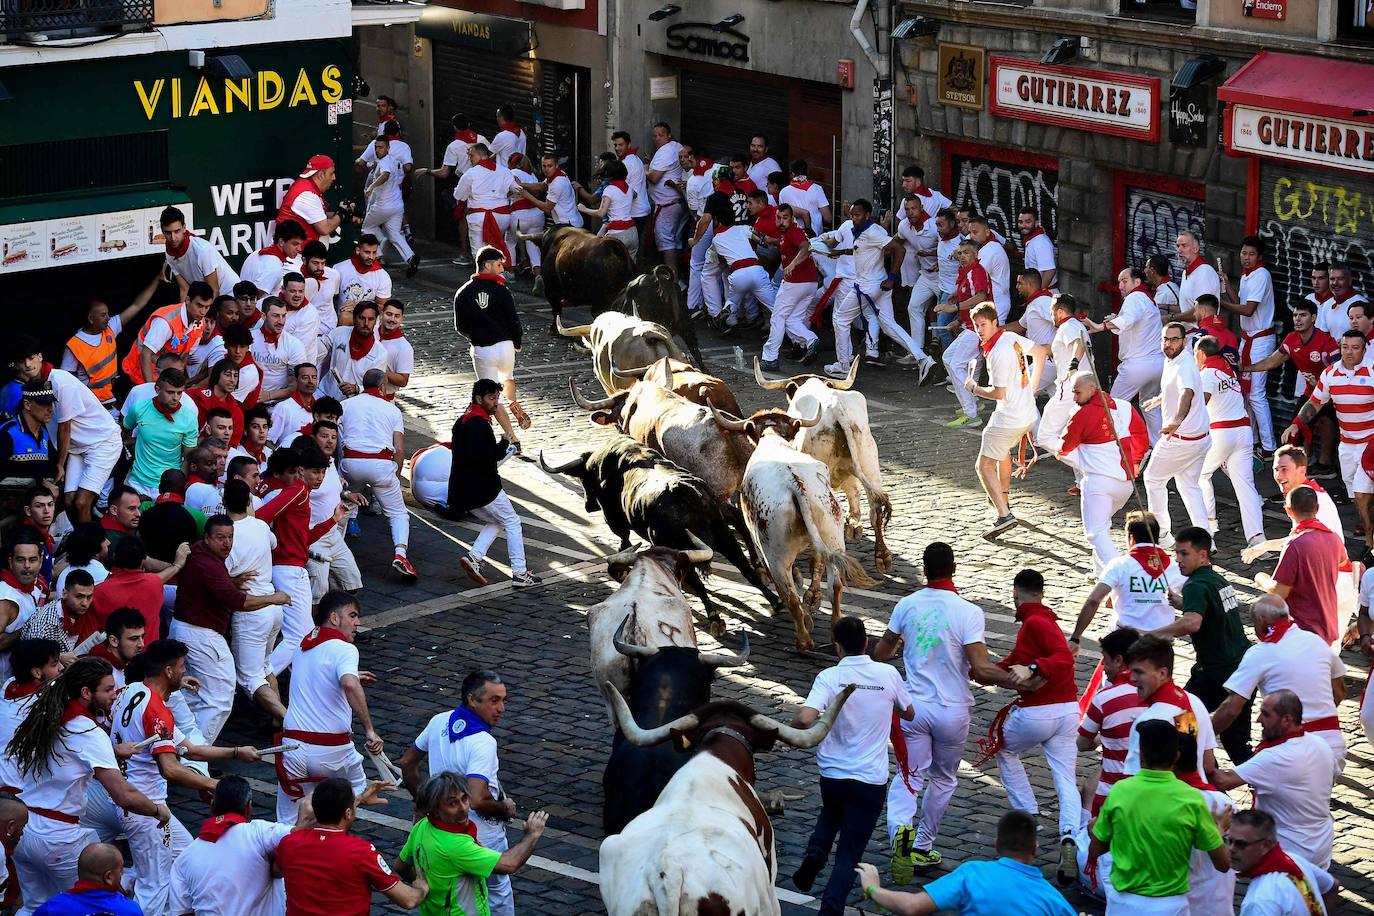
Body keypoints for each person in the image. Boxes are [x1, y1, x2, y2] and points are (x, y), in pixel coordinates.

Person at [874, 542, 1026, 879]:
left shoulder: (906, 605)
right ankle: (923, 846)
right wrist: (1019, 681)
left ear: (924, 569)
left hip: (913, 707)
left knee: (908, 774)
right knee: (943, 779)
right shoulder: (968, 612)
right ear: (954, 568)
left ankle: (900, 831)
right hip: (952, 711)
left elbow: (882, 651)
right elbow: (982, 669)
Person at [109, 638, 263, 916]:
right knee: (153, 884)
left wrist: (236, 752)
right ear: (168, 671)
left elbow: (189, 750)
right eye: (181, 667)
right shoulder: (157, 711)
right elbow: (170, 768)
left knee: (186, 856)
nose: (184, 672)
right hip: (147, 809)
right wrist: (217, 786)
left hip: (133, 803)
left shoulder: (133, 691)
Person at [7, 658, 170, 914]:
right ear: (86, 692)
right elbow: (123, 794)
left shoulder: (46, 715)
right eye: (107, 689)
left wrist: (112, 751)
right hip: (58, 837)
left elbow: (67, 756)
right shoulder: (88, 732)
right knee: (89, 907)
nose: (114, 695)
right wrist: (157, 811)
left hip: (24, 830)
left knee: (34, 907)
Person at [789, 617, 914, 914]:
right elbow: (909, 713)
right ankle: (831, 909)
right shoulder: (887, 674)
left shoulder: (829, 677)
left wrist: (791, 729)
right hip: (870, 780)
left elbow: (806, 719)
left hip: (832, 774)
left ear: (837, 647)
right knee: (849, 855)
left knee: (831, 812)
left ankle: (816, 854)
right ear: (866, 643)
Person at [978, 570, 1078, 880]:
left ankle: (1028, 815)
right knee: (1065, 778)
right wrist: (986, 669)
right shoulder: (1042, 621)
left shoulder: (1035, 622)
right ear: (1042, 594)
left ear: (1015, 594)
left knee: (1005, 750)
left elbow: (1062, 656)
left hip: (1038, 712)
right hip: (1067, 712)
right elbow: (1018, 658)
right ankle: (1069, 837)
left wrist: (1034, 667)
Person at [397, 671, 524, 916]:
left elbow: (407, 763)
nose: (502, 708)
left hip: (438, 827)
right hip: (481, 834)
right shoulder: (483, 742)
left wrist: (423, 803)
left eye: (503, 700)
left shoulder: (438, 721)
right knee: (496, 891)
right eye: (494, 701)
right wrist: (505, 807)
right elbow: (478, 799)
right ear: (472, 700)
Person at [1086, 720, 1229, 915]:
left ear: (1142, 755)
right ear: (1176, 756)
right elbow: (1222, 864)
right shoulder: (1192, 799)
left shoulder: (1120, 791)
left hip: (1122, 904)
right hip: (1170, 906)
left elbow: (1096, 849)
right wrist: (1218, 830)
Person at [171, 516, 288, 742]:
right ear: (207, 538)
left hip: (191, 631)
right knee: (219, 698)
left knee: (194, 694)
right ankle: (196, 755)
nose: (227, 543)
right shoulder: (209, 564)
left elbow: (219, 588)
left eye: (230, 537)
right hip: (200, 635)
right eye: (220, 538)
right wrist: (275, 598)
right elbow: (238, 602)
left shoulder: (202, 554)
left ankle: (183, 748)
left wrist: (230, 582)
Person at [274, 592, 383, 825]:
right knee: (356, 789)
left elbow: (317, 674)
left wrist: (351, 675)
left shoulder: (302, 647)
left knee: (287, 822)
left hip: (292, 747)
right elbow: (349, 684)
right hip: (331, 751)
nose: (357, 623)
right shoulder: (345, 649)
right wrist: (370, 730)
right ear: (334, 618)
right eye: (352, 616)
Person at [1153, 527, 1252, 765]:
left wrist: (1152, 635)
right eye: (1176, 553)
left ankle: (1200, 769)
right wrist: (1184, 603)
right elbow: (1211, 612)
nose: (1178, 560)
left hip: (1215, 672)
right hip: (1243, 670)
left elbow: (1193, 623)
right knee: (1236, 740)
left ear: (1203, 555)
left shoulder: (1195, 585)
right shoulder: (1219, 580)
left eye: (1184, 554)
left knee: (1182, 717)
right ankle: (1262, 784)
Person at [853, 810, 1074, 916]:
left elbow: (912, 907)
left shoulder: (973, 874)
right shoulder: (1053, 900)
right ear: (1035, 849)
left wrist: (872, 888)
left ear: (996, 844)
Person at [1213, 594, 1346, 769]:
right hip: (1332, 747)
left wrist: (1203, 736)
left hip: (1293, 751)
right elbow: (1339, 691)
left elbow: (1231, 709)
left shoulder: (1260, 652)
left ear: (1261, 621)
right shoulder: (1316, 641)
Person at [1209, 690, 1338, 869]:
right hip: (1320, 848)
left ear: (1287, 719)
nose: (1258, 719)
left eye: (1266, 714)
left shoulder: (1275, 757)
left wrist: (1203, 745)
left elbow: (1223, 781)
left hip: (1288, 852)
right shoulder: (1320, 744)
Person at [397, 773, 549, 916]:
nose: (463, 809)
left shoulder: (422, 826)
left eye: (464, 799)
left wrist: (427, 888)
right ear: (435, 810)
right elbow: (509, 864)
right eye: (452, 804)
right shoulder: (455, 846)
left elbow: (401, 867)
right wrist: (532, 834)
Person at [277, 776, 429, 912]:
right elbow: (408, 900)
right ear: (348, 813)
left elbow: (277, 870)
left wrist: (360, 799)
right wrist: (420, 888)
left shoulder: (289, 843)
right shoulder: (361, 852)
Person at [259, 447, 348, 675]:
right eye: (315, 472)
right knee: (298, 636)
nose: (319, 477)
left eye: (322, 473)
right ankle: (260, 682)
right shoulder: (298, 492)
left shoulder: (301, 493)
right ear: (301, 470)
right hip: (289, 569)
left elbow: (303, 538)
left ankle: (299, 677)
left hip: (293, 567)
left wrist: (332, 520)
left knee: (306, 631)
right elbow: (261, 517)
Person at [1284, 329, 1374, 554]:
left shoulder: (1373, 371)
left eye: (1355, 348)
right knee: (1357, 496)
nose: (1349, 352)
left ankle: (1370, 547)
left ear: (1364, 349)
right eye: (1345, 347)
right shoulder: (1330, 373)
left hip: (1370, 445)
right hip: (1347, 445)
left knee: (1363, 495)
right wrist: (1296, 423)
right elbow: (1315, 403)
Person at [1056, 372, 1150, 576]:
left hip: (1098, 482)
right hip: (1125, 484)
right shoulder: (1125, 406)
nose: (1074, 397)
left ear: (1092, 389)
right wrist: (1135, 462)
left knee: (1096, 532)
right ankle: (1100, 573)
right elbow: (1142, 436)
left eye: (1077, 392)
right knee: (1102, 526)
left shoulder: (1082, 413)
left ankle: (1123, 574)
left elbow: (1063, 447)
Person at [449, 380, 541, 589]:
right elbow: (487, 458)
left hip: (463, 489)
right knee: (512, 522)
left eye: (497, 398)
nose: (495, 403)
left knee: (497, 521)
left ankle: (474, 557)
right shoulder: (479, 424)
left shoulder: (463, 420)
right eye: (491, 398)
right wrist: (504, 443)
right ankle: (519, 572)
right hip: (484, 489)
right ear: (478, 399)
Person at [966, 303, 1044, 537]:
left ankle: (1003, 515)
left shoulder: (998, 353)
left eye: (983, 325)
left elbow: (998, 393)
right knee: (1002, 454)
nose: (979, 330)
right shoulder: (1010, 336)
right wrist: (1032, 388)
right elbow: (1040, 352)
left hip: (1009, 416)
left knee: (983, 465)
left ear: (994, 323)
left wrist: (974, 388)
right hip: (1028, 413)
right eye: (976, 325)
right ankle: (1004, 500)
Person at [169, 774, 294, 916]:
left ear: (212, 806)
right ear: (249, 808)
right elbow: (302, 835)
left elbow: (181, 913)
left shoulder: (183, 859)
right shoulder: (260, 833)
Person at [1138, 322, 1211, 546]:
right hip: (1201, 438)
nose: (1169, 344)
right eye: (1165, 339)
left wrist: (1176, 421)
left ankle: (1160, 535)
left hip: (1182, 439)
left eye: (1174, 339)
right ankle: (1207, 541)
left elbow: (1186, 393)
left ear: (1184, 341)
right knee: (1189, 486)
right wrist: (1159, 399)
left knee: (1152, 478)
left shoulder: (1184, 365)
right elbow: (1177, 389)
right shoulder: (1173, 361)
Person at [221, 479, 288, 722]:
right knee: (265, 666)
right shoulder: (260, 526)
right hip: (272, 610)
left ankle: (287, 719)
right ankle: (277, 722)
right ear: (249, 502)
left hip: (251, 612)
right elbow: (274, 543)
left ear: (223, 503)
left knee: (250, 677)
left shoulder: (226, 536)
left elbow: (221, 575)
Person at [339, 369, 414, 580]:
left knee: (344, 506)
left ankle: (332, 549)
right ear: (382, 387)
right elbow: (399, 449)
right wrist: (396, 476)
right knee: (398, 513)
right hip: (380, 465)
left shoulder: (346, 405)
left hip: (351, 463)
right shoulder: (391, 410)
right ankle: (401, 554)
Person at [1195, 335, 1266, 547]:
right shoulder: (1227, 366)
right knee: (1246, 486)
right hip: (1243, 432)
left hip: (1221, 433)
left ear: (1200, 354)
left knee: (1199, 476)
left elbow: (1201, 404)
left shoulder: (1207, 373)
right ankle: (1257, 539)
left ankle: (1209, 527)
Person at [453, 247, 528, 446]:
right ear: (486, 265)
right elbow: (514, 321)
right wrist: (517, 342)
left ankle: (512, 436)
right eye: (498, 264)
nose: (502, 268)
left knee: (492, 397)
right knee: (507, 379)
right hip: (506, 347)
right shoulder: (502, 290)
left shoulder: (463, 292)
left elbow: (460, 327)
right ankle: (513, 402)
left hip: (483, 349)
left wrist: (476, 335)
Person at [1074, 511, 1183, 644]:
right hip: (1161, 646)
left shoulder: (1119, 565)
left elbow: (1093, 600)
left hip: (1124, 644)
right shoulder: (1176, 568)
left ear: (1131, 538)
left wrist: (1076, 637)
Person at [1084, 268, 1165, 441]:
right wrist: (1116, 318)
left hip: (1137, 366)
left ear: (1137, 282)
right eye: (1119, 281)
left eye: (1124, 281)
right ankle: (1160, 447)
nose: (1120, 286)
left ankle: (1104, 445)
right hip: (1157, 364)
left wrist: (1101, 327)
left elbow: (1127, 321)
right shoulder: (1148, 300)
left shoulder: (1134, 297)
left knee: (1111, 406)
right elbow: (1133, 321)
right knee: (1150, 406)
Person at [62, 269, 161, 410]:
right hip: (89, 406)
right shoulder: (74, 345)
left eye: (108, 314)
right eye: (103, 315)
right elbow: (66, 382)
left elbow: (136, 306)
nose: (108, 318)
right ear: (91, 319)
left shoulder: (109, 329)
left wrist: (157, 279)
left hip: (110, 402)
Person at [1077, 627, 1145, 815]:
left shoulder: (1105, 698)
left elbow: (1082, 744)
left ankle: (1083, 839)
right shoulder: (1182, 700)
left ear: (1119, 661)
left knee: (1089, 792)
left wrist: (1101, 738)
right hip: (1154, 791)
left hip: (1113, 793)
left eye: (1105, 661)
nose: (1103, 668)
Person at [1227, 809, 1340, 916]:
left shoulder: (1259, 902)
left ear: (1266, 845)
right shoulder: (1294, 860)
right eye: (1229, 841)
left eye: (1240, 844)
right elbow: (1332, 885)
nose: (1231, 849)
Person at [938, 239, 993, 426]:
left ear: (976, 255)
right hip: (973, 326)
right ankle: (972, 404)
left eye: (967, 252)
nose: (962, 256)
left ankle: (971, 413)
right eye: (960, 253)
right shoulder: (967, 272)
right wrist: (958, 320)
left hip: (979, 327)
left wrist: (955, 308)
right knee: (948, 358)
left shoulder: (975, 271)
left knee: (956, 365)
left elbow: (981, 296)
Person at [122, 368, 199, 499]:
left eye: (179, 393)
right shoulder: (139, 408)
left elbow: (188, 457)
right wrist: (133, 444)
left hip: (167, 486)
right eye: (170, 392)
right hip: (137, 481)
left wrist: (178, 486)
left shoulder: (189, 418)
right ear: (157, 389)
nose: (176, 398)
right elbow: (125, 430)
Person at [761, 204, 821, 370]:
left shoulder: (794, 232)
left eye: (785, 218)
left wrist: (792, 265)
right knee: (792, 319)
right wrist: (768, 240)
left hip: (795, 283)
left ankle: (770, 358)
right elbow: (787, 244)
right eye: (778, 218)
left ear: (792, 218)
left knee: (778, 317)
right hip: (810, 283)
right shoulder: (787, 234)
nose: (781, 221)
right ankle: (810, 340)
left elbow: (806, 248)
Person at [121, 283, 212, 386]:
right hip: (137, 375)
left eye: (207, 307)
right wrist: (150, 389)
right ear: (187, 300)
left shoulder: (200, 323)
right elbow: (145, 354)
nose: (203, 312)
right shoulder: (166, 321)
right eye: (199, 305)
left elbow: (185, 355)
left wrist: (176, 383)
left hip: (163, 381)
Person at [360, 135, 419, 276]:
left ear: (388, 148)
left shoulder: (385, 162)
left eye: (381, 147)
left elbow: (385, 175)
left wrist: (371, 187)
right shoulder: (395, 161)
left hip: (383, 205)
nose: (377, 150)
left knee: (366, 227)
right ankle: (410, 257)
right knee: (395, 235)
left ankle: (378, 255)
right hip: (397, 205)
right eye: (376, 147)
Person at [30, 843, 141, 916]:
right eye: (121, 871)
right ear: (109, 877)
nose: (122, 875)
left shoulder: (52, 908)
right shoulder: (130, 910)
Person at [454, 143, 520, 264]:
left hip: (479, 217)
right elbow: (516, 189)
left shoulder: (470, 174)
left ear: (480, 155)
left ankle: (485, 278)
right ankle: (497, 275)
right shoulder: (504, 171)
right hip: (502, 218)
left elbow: (459, 196)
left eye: (471, 155)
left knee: (479, 253)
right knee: (494, 250)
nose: (470, 158)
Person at [161, 205, 239, 297]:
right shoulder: (169, 255)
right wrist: (182, 311)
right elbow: (185, 290)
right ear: (162, 231)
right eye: (168, 233)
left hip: (231, 295)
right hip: (207, 298)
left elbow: (214, 291)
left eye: (177, 231)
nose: (173, 238)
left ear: (184, 228)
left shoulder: (202, 250)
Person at [319, 301, 389, 402]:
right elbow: (317, 349)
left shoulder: (380, 353)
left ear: (376, 321)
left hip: (353, 403)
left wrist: (357, 389)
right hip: (324, 394)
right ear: (354, 319)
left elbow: (376, 387)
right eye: (362, 318)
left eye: (370, 319)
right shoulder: (338, 333)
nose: (366, 323)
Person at [276, 155, 350, 245]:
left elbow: (317, 217)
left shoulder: (308, 188)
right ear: (321, 174)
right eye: (331, 173)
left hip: (303, 255)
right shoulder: (306, 194)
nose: (334, 177)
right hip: (296, 256)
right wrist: (341, 214)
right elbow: (324, 228)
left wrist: (343, 212)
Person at [22, 570, 98, 652]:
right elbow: (31, 655)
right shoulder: (45, 623)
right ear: (64, 594)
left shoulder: (89, 613)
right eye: (79, 597)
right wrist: (59, 658)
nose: (85, 603)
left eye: (89, 597)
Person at [0, 381, 56, 484]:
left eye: (51, 403)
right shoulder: (7, 433)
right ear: (27, 405)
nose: (50, 409)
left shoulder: (45, 435)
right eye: (43, 403)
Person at [333, 235, 393, 317]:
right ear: (358, 250)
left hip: (370, 321)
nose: (371, 257)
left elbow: (383, 306)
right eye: (367, 252)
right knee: (345, 317)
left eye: (374, 252)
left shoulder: (382, 276)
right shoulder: (339, 269)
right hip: (344, 318)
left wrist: (360, 306)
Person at [85, 608, 145, 689]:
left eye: (142, 637)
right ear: (114, 641)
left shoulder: (129, 664)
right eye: (134, 639)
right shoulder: (100, 675)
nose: (141, 644)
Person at [269, 364, 319, 446]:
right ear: (296, 380)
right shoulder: (284, 407)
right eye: (305, 377)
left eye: (314, 377)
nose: (310, 381)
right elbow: (269, 440)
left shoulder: (320, 407)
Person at [1316, 262, 1366, 339]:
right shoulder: (1327, 305)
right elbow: (1324, 338)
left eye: (1340, 279)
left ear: (1349, 281)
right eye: (1332, 279)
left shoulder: (1362, 304)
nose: (1335, 283)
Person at [377, 301, 414, 390]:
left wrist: (380, 372)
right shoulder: (370, 332)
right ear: (382, 314)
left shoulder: (404, 348)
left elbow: (403, 380)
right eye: (389, 314)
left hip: (385, 399)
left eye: (397, 316)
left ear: (401, 319)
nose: (392, 319)